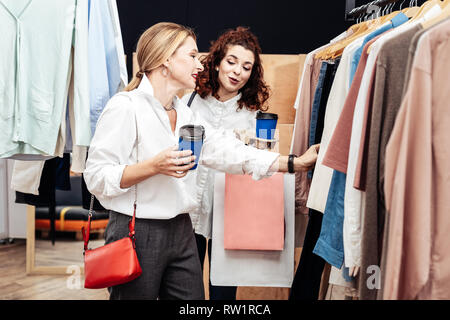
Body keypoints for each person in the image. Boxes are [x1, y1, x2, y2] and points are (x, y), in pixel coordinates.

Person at [84, 22, 320, 300]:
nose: (200, 62)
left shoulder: (183, 113)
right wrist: (153, 166)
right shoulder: (126, 107)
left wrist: (294, 163)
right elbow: (96, 177)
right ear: (166, 59)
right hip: (139, 230)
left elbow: (226, 151)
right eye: (192, 55)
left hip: (182, 229)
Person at [181, 26, 271, 300]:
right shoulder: (189, 102)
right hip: (188, 211)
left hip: (230, 214)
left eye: (246, 67)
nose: (237, 72)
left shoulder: (253, 116)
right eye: (231, 62)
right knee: (186, 292)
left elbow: (260, 162)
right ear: (218, 61)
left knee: (224, 293)